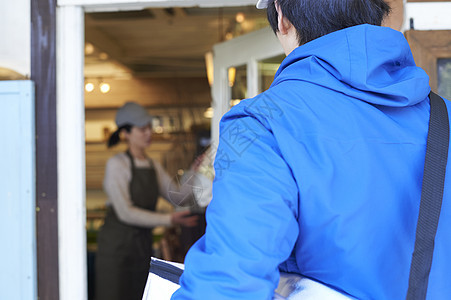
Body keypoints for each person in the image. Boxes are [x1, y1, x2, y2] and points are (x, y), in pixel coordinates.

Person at [172, 0, 451, 299]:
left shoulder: (262, 123)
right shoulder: (443, 117)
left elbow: (228, 286)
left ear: (281, 17)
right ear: (380, 9)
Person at [95, 101, 198, 300]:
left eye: (149, 127)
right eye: (142, 129)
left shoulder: (153, 165)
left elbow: (178, 196)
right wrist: (170, 220)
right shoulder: (117, 164)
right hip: (115, 252)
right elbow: (126, 212)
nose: (148, 133)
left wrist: (195, 171)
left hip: (141, 248)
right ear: (126, 133)